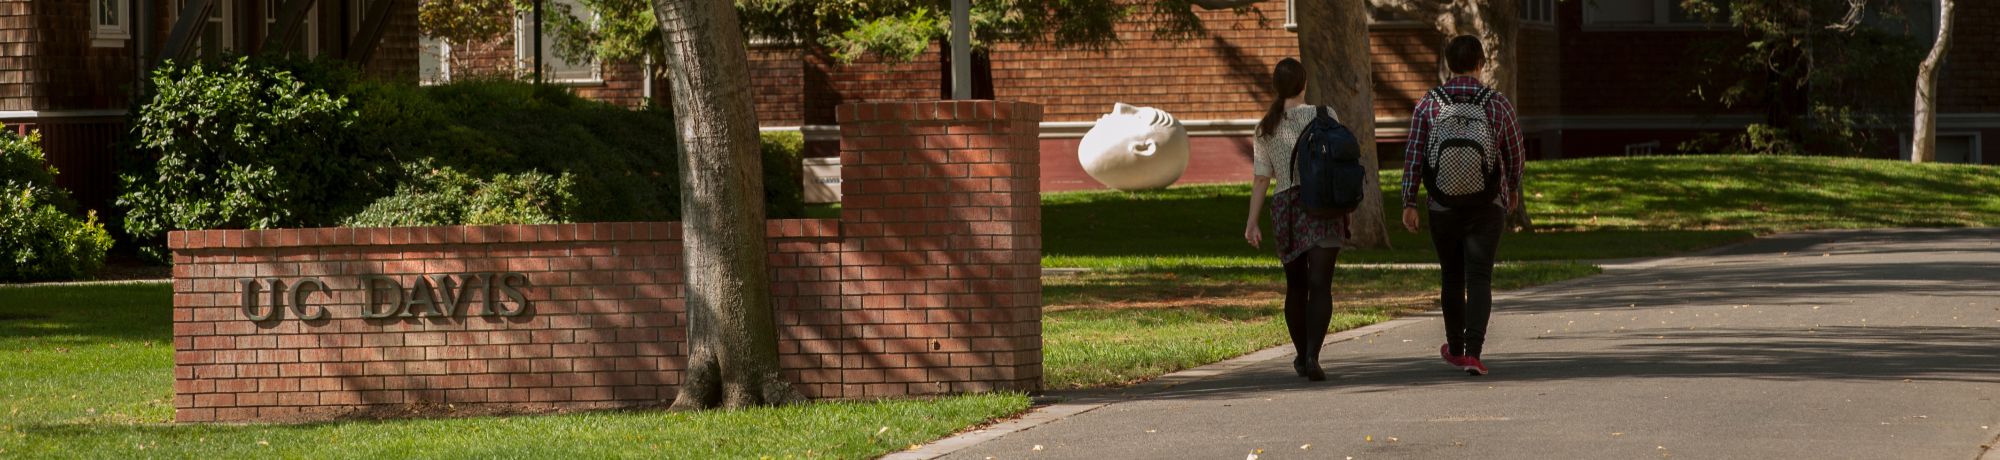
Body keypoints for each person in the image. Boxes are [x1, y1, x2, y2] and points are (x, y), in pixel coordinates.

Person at [1400, 35, 1525, 376]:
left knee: (1452, 276)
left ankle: (1454, 348)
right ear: (1480, 64)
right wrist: (1511, 188)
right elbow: (1515, 152)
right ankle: (1474, 352)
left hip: (1442, 205)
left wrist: (1409, 201)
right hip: (1487, 204)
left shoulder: (1429, 104)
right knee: (1480, 275)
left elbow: (1413, 155)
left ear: (1447, 65)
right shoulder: (1497, 103)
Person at [1244, 57, 1349, 382]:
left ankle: (1302, 356)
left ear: (1276, 87)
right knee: (1321, 286)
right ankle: (1314, 355)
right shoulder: (1325, 115)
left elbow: (1262, 179)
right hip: (1325, 207)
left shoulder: (1266, 127)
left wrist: (1252, 222)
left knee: (1295, 286)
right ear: (1304, 84)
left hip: (1287, 208)